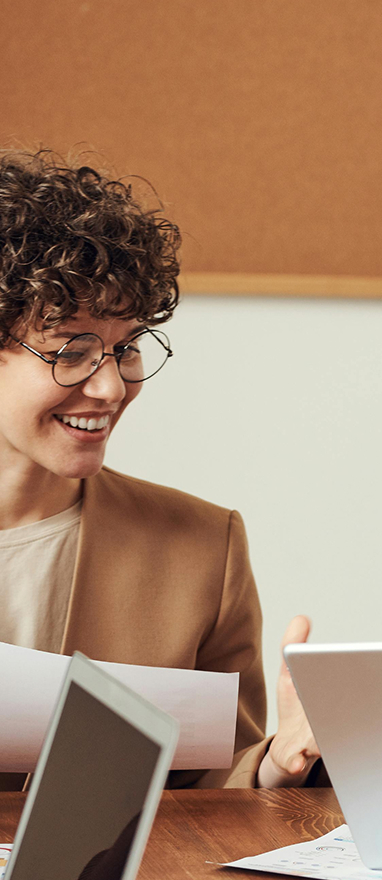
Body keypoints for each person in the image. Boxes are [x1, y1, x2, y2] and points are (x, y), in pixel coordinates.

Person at [0, 150, 317, 789]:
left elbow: (215, 782)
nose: (113, 388)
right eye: (73, 351)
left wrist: (275, 767)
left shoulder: (202, 546)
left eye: (125, 348)